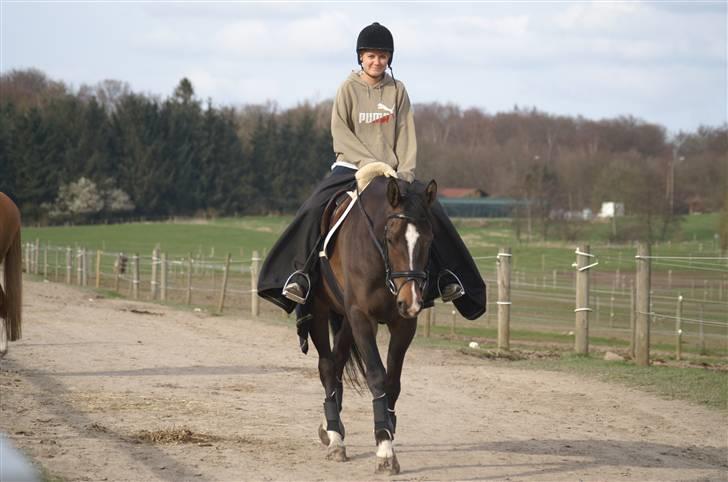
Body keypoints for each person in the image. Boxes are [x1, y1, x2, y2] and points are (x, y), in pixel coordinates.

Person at [257, 22, 486, 352]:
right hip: (351, 167)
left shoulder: (399, 91)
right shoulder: (347, 89)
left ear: (389, 59)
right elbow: (341, 134)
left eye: (382, 56)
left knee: (429, 212)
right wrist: (369, 163)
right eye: (370, 56)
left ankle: (447, 277)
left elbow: (406, 134)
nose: (376, 61)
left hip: (394, 174)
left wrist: (404, 172)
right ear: (360, 58)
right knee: (313, 208)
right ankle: (299, 277)